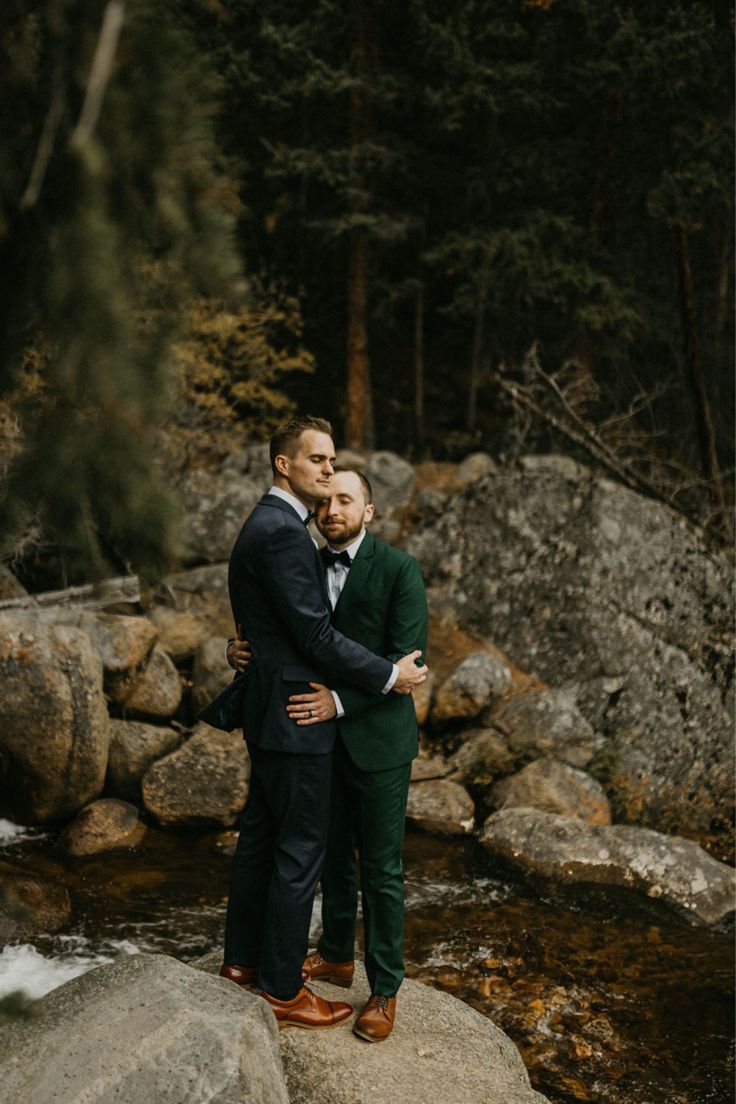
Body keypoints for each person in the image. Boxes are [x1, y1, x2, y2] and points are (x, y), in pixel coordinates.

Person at [220, 416, 428, 1032]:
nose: (331, 490)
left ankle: (384, 988)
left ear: (370, 511)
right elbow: (303, 632)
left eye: (344, 490)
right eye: (322, 471)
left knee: (378, 868)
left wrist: (358, 693)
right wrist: (246, 649)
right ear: (287, 466)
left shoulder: (398, 569)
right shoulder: (294, 544)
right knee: (318, 855)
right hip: (308, 728)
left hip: (371, 737)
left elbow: (404, 659)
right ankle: (328, 960)